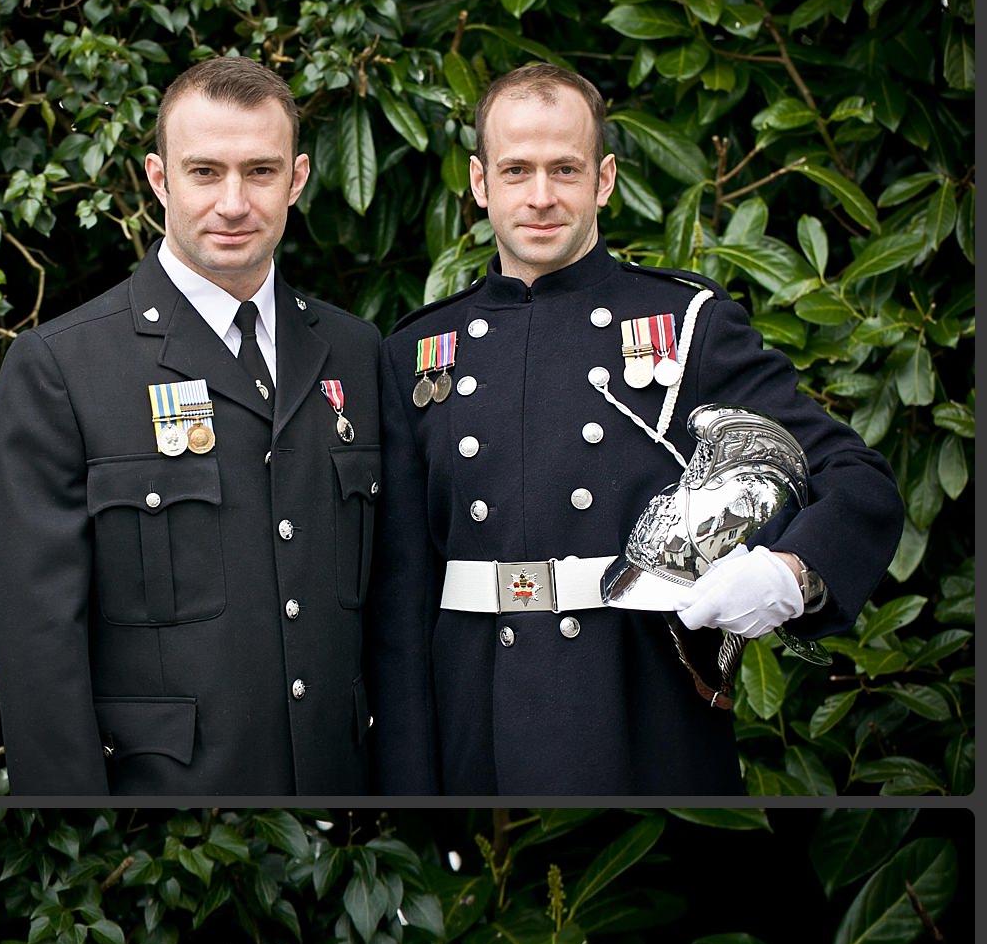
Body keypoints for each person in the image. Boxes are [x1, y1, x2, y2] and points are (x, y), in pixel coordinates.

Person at [370, 64, 902, 795]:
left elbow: (855, 478)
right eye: (516, 170)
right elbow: (400, 596)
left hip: (637, 706)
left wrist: (792, 573)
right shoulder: (416, 351)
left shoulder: (687, 327)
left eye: (566, 168)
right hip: (473, 718)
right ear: (479, 181)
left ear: (606, 178)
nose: (542, 196)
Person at [0, 56, 384, 795]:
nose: (233, 203)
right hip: (166, 802)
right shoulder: (63, 367)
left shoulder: (356, 354)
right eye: (204, 172)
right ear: (159, 179)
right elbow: (39, 647)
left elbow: (391, 609)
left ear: (296, 179)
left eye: (259, 172)